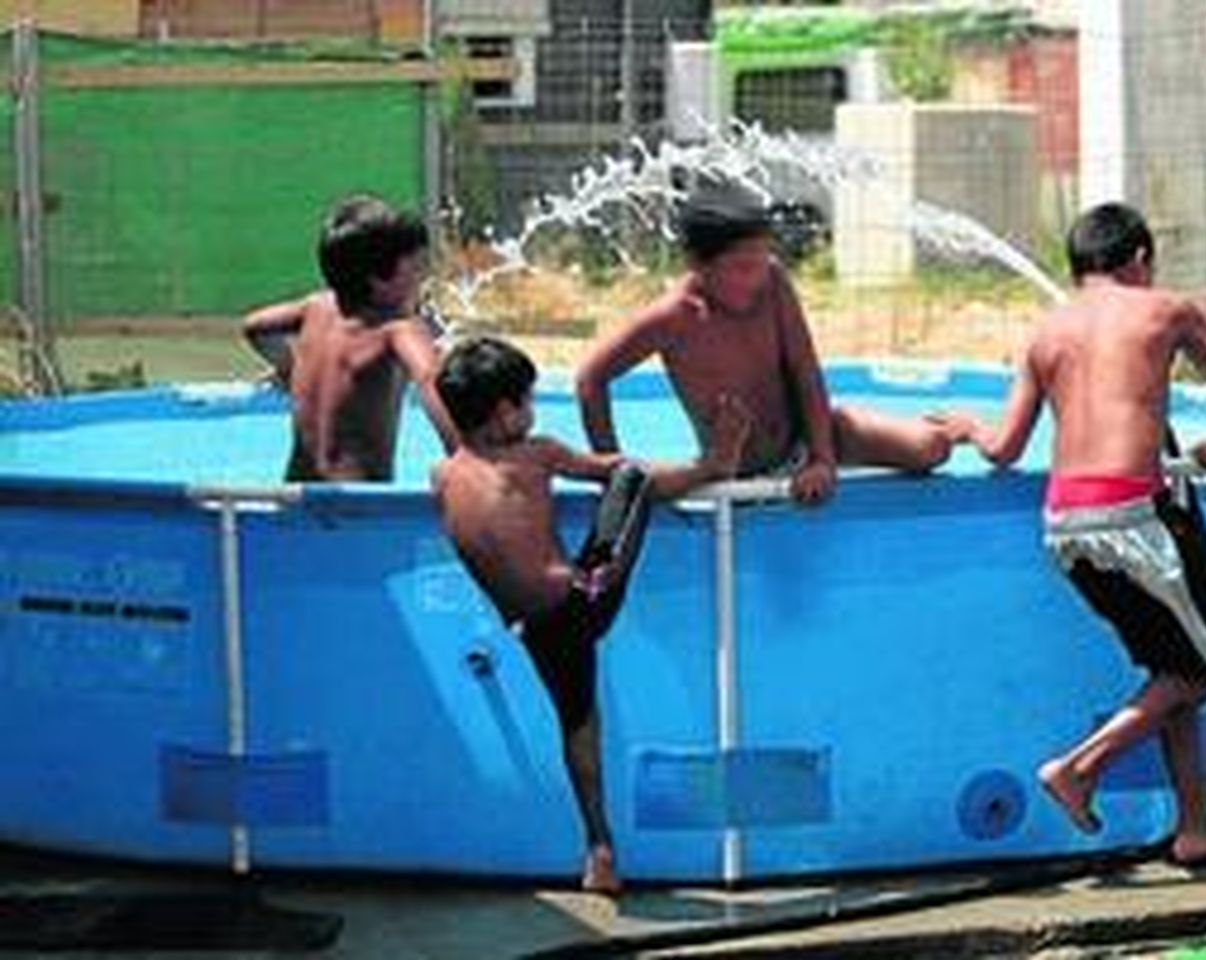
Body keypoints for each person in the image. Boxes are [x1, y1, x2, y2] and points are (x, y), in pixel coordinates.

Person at [935, 202, 1206, 868]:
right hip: (1135, 522)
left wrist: (968, 428)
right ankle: (1080, 768)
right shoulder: (1167, 310)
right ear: (1140, 259)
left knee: (1172, 667)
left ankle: (1196, 825)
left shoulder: (1045, 333)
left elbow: (1004, 448)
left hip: (1066, 528)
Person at [432, 336, 748, 895]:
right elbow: (617, 471)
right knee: (633, 479)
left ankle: (599, 849)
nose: (532, 413)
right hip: (581, 602)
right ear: (505, 411)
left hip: (531, 628)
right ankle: (715, 463)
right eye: (528, 401)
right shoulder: (536, 454)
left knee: (578, 721)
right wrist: (705, 465)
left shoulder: (443, 475)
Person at [575, 181, 953, 506]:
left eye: (761, 261)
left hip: (806, 438)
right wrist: (612, 472)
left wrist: (822, 458)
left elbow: (805, 368)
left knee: (931, 447)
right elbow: (591, 379)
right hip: (734, 467)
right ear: (697, 264)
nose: (755, 279)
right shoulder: (674, 317)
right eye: (741, 268)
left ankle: (958, 428)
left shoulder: (772, 281)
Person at [244, 195, 458, 481]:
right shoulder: (398, 329)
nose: (422, 280)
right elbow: (430, 379)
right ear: (379, 280)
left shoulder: (314, 307)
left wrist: (288, 368)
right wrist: (465, 459)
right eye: (415, 269)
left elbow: (255, 327)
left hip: (297, 493)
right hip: (359, 498)